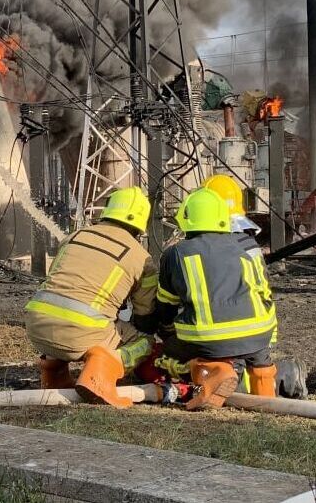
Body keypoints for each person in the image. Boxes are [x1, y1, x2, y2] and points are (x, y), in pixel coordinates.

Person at [24, 187, 159, 408]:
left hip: (36, 325)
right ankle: (100, 373)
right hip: (81, 331)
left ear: (107, 212)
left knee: (67, 315)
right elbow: (145, 314)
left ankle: (53, 374)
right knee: (144, 341)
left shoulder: (75, 237)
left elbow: (62, 285)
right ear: (140, 225)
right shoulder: (141, 257)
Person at [153, 188, 278, 409]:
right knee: (259, 358)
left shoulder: (176, 253)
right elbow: (263, 292)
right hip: (259, 331)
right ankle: (268, 403)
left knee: (168, 355)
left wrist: (162, 328)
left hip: (209, 337)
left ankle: (214, 372)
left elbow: (166, 305)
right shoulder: (245, 247)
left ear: (185, 218)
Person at [202, 174, 280, 394]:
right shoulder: (250, 244)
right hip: (258, 333)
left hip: (214, 338)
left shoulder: (196, 248)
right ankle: (264, 397)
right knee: (260, 366)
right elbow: (264, 291)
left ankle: (222, 383)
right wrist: (268, 337)